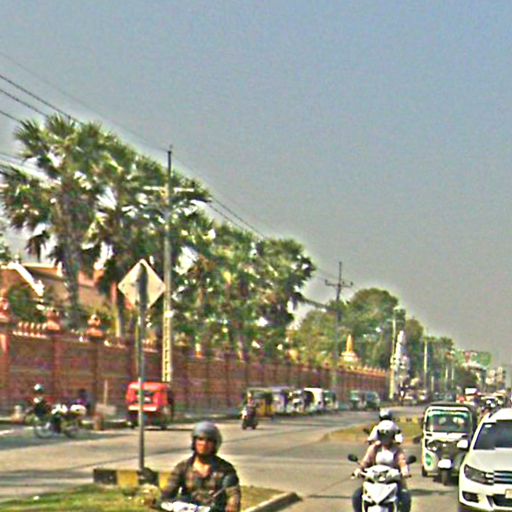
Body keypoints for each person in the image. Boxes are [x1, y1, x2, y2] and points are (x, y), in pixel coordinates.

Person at [161, 421, 241, 512]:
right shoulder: (183, 467)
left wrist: (232, 506)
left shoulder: (225, 469)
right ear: (194, 442)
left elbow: (233, 493)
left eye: (209, 440)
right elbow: (168, 492)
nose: (204, 444)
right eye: (200, 439)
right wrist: (161, 501)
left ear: (215, 444)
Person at [352, 420, 412, 512]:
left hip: (392, 480)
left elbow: (401, 461)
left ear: (393, 436)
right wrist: (359, 469)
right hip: (374, 480)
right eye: (383, 435)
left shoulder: (397, 450)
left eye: (388, 435)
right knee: (357, 496)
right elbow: (365, 461)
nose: (385, 438)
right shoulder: (374, 448)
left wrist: (404, 470)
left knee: (405, 497)